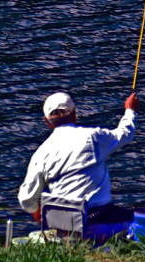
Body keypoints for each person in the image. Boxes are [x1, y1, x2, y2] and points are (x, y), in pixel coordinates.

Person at [18, 90, 138, 224]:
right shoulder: (92, 137)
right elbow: (125, 134)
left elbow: (26, 199)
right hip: (100, 219)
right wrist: (130, 110)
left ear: (47, 121)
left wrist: (40, 215)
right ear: (74, 114)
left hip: (64, 226)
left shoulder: (40, 155)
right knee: (142, 221)